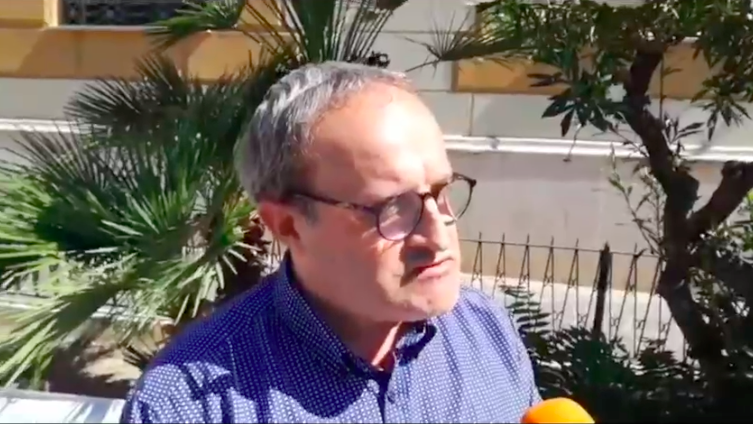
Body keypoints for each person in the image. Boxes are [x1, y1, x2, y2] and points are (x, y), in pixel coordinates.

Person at [120, 61, 541, 423]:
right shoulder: (188, 405)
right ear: (287, 225)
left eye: (441, 191)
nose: (437, 234)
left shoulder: (487, 331)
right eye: (394, 208)